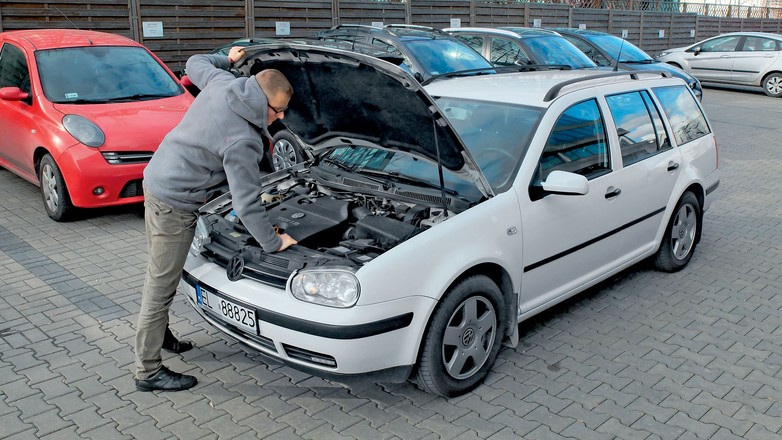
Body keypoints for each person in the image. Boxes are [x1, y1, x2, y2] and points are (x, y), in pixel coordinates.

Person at [134, 46, 297, 392]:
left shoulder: (224, 82)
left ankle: (161, 339)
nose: (281, 118)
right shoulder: (242, 139)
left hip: (157, 179)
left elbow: (194, 61)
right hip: (175, 203)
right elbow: (247, 204)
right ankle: (147, 371)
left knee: (161, 272)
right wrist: (274, 241)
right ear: (263, 103)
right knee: (160, 286)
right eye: (279, 111)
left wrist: (229, 57)